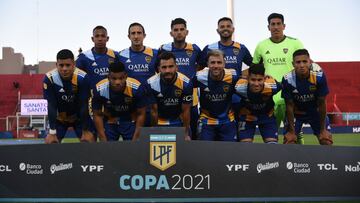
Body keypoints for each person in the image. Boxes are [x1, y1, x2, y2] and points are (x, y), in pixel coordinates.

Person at [253, 13, 304, 143]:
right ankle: (274, 162)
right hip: (270, 98)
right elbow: (255, 71)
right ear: (268, 27)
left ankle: (300, 162)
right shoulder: (261, 46)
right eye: (272, 24)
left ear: (284, 26)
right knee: (271, 136)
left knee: (295, 134)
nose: (276, 27)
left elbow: (304, 63)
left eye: (278, 24)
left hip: (292, 96)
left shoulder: (295, 43)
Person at [200, 17, 253, 132]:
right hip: (217, 96)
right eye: (222, 27)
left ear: (233, 29)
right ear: (217, 30)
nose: (225, 29)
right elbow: (199, 67)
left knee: (239, 130)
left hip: (237, 96)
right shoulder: (210, 48)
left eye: (228, 26)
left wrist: (244, 76)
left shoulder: (241, 48)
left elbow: (252, 66)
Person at [158, 18, 201, 139]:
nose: (179, 32)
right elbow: (159, 68)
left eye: (182, 29)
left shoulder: (195, 49)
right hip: (170, 97)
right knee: (172, 134)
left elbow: (201, 65)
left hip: (191, 98)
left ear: (187, 32)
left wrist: (191, 79)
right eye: (176, 30)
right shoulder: (163, 49)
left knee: (191, 134)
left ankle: (191, 157)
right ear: (171, 33)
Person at [281, 49, 332, 145]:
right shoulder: (287, 79)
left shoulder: (319, 76)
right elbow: (289, 106)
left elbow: (322, 103)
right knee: (289, 141)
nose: (301, 65)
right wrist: (291, 132)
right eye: (298, 62)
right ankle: (292, 160)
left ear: (310, 62)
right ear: (293, 64)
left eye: (304, 61)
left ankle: (328, 160)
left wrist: (323, 130)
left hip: (315, 112)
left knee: (326, 140)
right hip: (296, 113)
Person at [43, 49, 94, 143]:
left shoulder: (82, 78)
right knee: (50, 143)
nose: (64, 69)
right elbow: (51, 105)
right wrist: (52, 132)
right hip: (59, 119)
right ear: (56, 65)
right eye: (61, 65)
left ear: (74, 64)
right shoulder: (49, 78)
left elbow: (84, 104)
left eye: (68, 65)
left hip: (79, 118)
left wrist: (85, 130)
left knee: (89, 142)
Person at [92, 62, 148, 141]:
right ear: (108, 77)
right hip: (110, 121)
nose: (117, 82)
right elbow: (97, 114)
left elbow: (141, 114)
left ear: (126, 77)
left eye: (121, 78)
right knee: (106, 150)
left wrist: (136, 137)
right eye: (114, 79)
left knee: (133, 149)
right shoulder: (99, 89)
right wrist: (102, 137)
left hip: (130, 121)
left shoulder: (137, 88)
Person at [147, 52, 193, 140]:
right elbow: (154, 111)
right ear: (158, 69)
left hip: (178, 120)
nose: (167, 70)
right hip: (159, 121)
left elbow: (186, 111)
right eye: (164, 67)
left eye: (171, 66)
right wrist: (154, 132)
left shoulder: (186, 83)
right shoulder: (150, 84)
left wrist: (186, 133)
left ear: (176, 67)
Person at [195, 50, 238, 141]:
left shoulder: (233, 76)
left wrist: (265, 77)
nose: (216, 66)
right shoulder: (199, 77)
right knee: (204, 152)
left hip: (227, 120)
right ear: (207, 64)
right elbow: (185, 87)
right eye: (212, 62)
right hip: (206, 120)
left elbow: (248, 83)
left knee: (230, 152)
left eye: (219, 62)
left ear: (224, 63)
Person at [235, 64, 281, 143]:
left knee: (272, 147)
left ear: (264, 78)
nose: (256, 84)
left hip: (267, 117)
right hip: (247, 118)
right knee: (245, 147)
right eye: (253, 80)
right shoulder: (239, 87)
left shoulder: (272, 86)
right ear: (247, 78)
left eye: (259, 80)